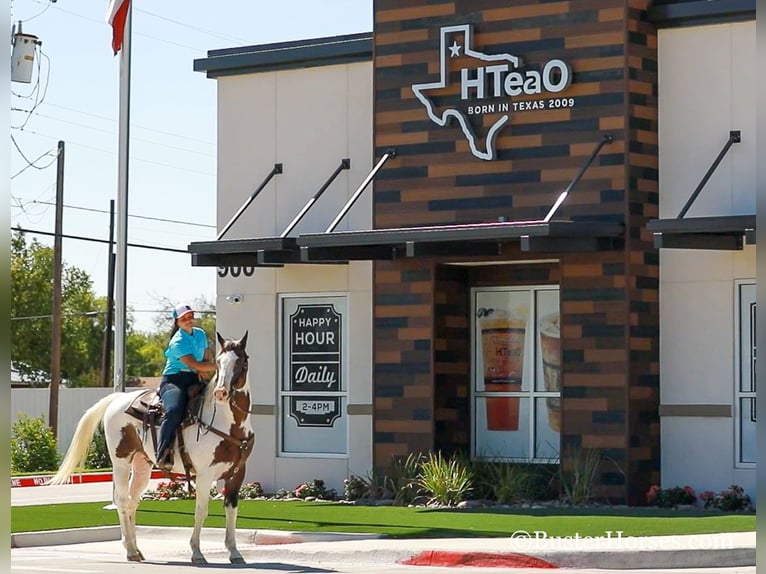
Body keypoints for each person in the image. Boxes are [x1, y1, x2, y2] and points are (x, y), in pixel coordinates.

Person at [155, 304, 217, 471]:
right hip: (174, 380)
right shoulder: (178, 341)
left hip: (194, 378)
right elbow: (195, 364)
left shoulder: (200, 334)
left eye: (190, 316)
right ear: (177, 322)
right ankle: (163, 453)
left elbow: (205, 357)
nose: (188, 320)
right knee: (174, 410)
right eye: (183, 319)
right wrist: (220, 366)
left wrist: (206, 373)